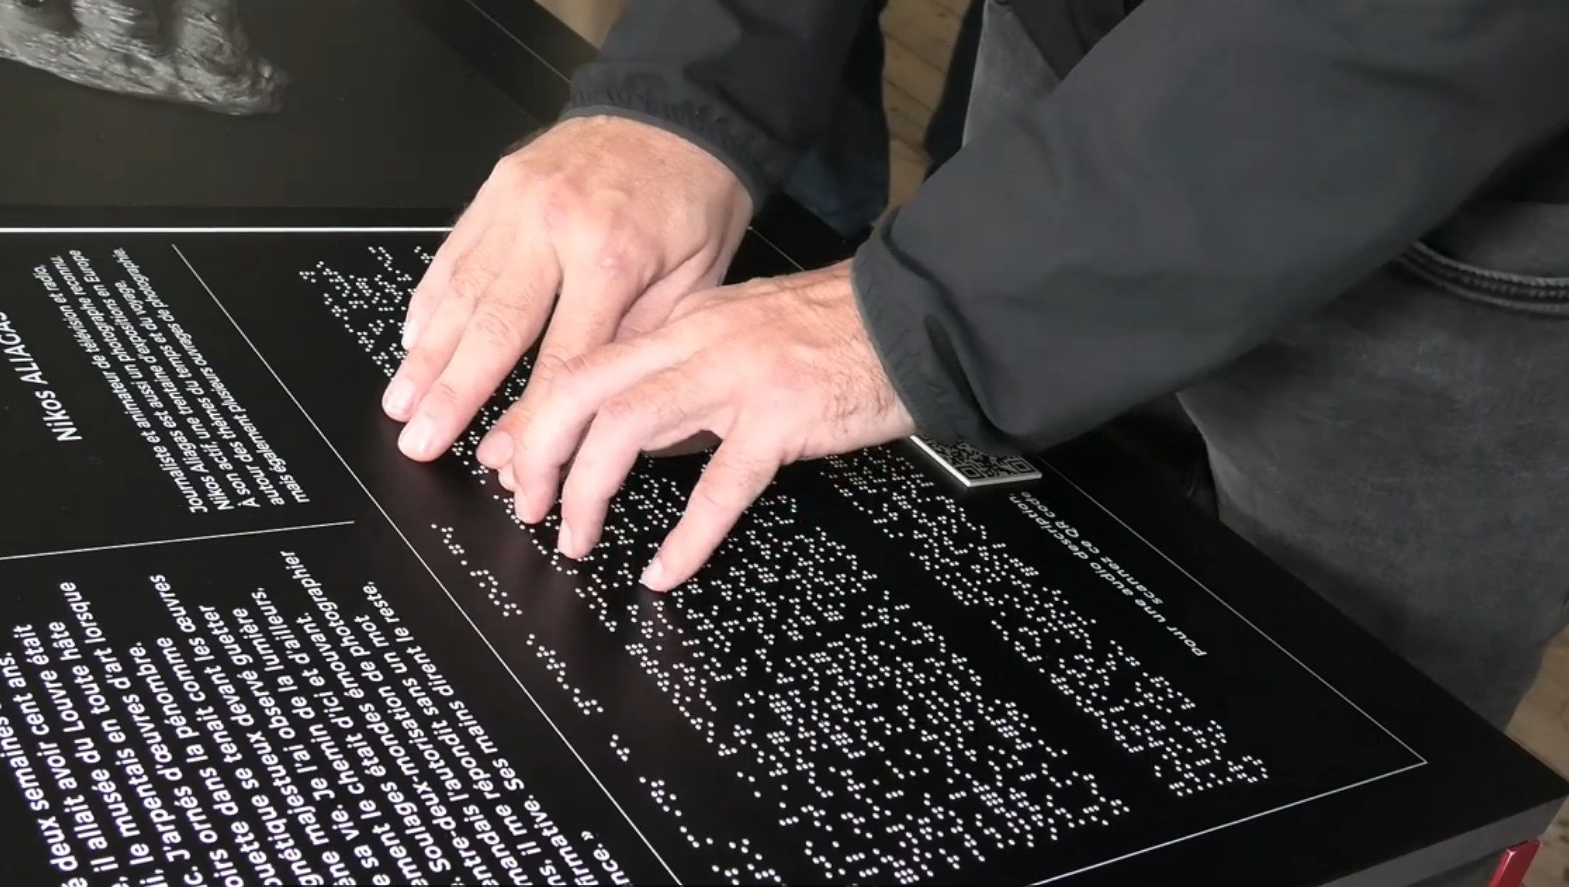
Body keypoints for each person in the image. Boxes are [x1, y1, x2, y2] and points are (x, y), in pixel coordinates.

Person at [381, 5, 1569, 881]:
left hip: (1473, 194)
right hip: (1077, 56)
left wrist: (938, 309)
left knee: (1327, 756)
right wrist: (691, 87)